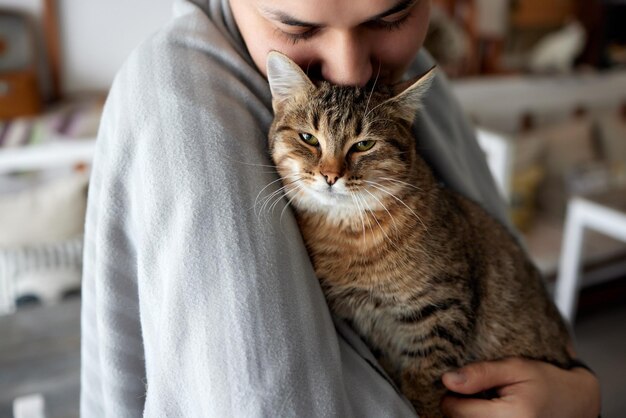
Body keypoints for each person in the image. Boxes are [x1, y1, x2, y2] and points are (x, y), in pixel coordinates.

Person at [80, 0, 601, 416]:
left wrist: (582, 394)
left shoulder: (411, 80)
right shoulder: (180, 103)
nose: (351, 71)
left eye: (393, 15)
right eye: (296, 26)